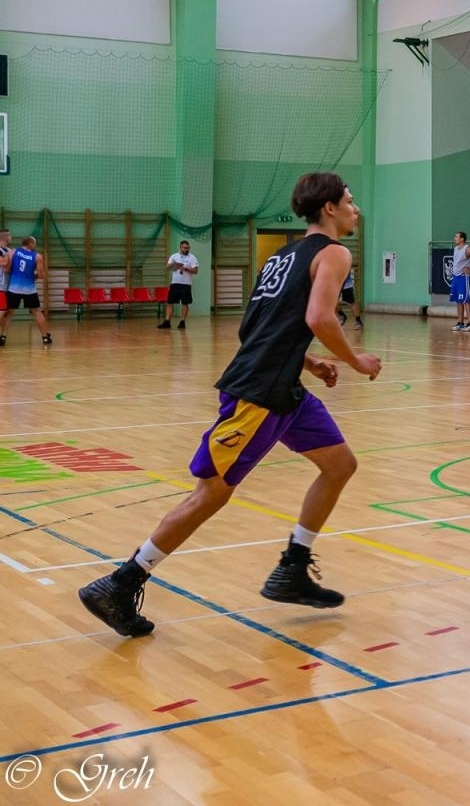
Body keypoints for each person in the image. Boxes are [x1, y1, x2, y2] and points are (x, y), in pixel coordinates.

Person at [77, 172, 382, 638]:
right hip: (259, 395)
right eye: (349, 200)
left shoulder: (283, 257)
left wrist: (310, 361)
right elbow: (319, 317)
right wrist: (355, 360)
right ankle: (121, 582)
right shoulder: (334, 253)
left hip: (285, 391)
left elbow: (255, 330)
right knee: (212, 493)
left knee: (340, 465)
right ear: (328, 210)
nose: (355, 208)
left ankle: (293, 568)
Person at [2, 236, 52, 346]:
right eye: (34, 243)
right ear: (30, 243)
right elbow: (41, 275)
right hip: (29, 289)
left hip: (13, 288)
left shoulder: (13, 252)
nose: (35, 245)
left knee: (9, 313)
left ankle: (3, 337)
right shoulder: (37, 256)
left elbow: (6, 268)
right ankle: (45, 337)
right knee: (37, 312)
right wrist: (32, 276)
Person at [159, 240, 199, 329]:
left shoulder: (192, 258)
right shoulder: (174, 256)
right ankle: (167, 321)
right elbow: (168, 266)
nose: (186, 249)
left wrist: (186, 269)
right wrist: (174, 265)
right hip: (175, 283)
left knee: (185, 303)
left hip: (186, 284)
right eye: (184, 248)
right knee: (170, 302)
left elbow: (195, 271)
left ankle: (182, 321)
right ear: (180, 248)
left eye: (188, 248)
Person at [448, 232, 470, 332]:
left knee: (466, 301)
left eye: (456, 237)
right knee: (458, 301)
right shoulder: (456, 249)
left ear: (462, 239)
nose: (454, 238)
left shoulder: (468, 249)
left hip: (463, 278)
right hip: (455, 278)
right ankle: (460, 323)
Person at [0, 228, 11, 347]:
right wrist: (10, 256)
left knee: (7, 313)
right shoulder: (4, 251)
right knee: (2, 310)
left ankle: (3, 336)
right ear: (4, 237)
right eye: (10, 235)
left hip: (9, 286)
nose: (11, 237)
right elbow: (3, 264)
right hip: (1, 286)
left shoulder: (9, 250)